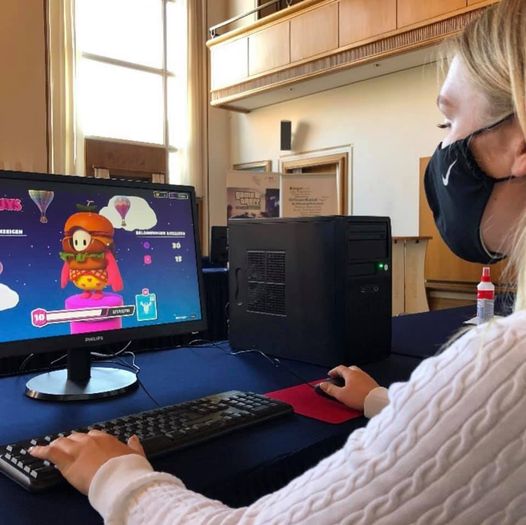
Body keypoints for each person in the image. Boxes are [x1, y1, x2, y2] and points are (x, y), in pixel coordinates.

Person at [30, 0, 526, 522]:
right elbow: (478, 438)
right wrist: (387, 403)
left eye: (448, 120)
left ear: (517, 145)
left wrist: (115, 475)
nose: (443, 144)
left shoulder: (505, 360)